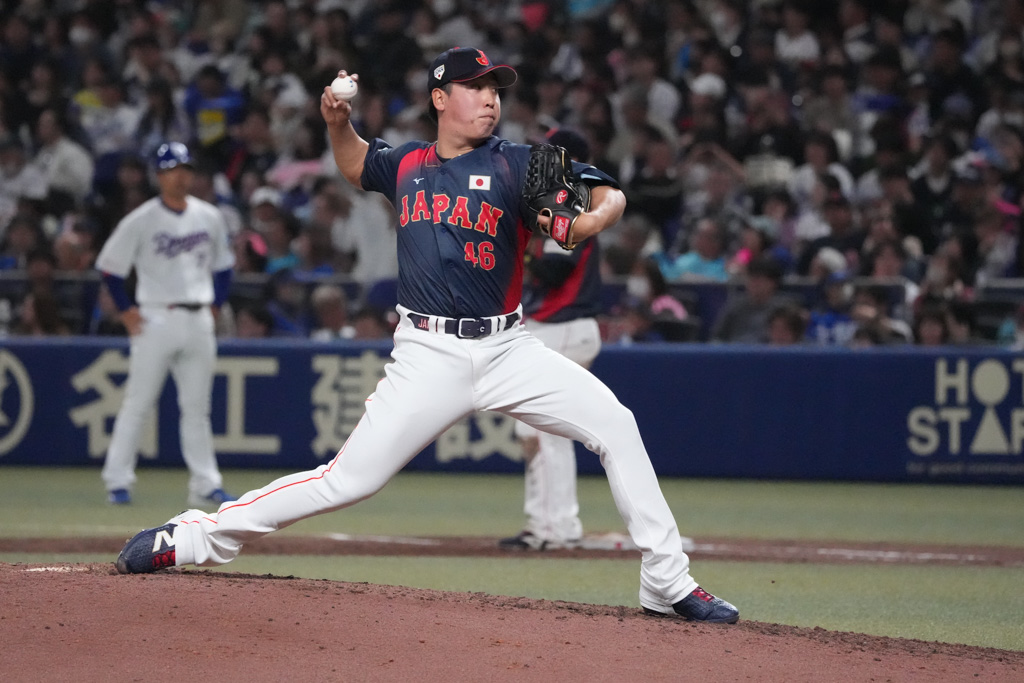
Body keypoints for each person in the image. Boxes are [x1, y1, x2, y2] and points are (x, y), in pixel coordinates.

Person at [114, 48, 739, 625]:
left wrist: (593, 217)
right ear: (441, 98)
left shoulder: (517, 161)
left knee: (616, 425)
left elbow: (609, 191)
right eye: (475, 87)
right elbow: (356, 162)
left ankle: (666, 580)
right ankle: (192, 537)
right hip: (428, 354)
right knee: (346, 481)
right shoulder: (406, 163)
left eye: (495, 89)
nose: (490, 98)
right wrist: (336, 123)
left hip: (508, 348)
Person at [95, 142, 237, 508]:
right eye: (172, 169)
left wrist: (216, 306)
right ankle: (117, 481)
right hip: (155, 316)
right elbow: (110, 269)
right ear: (159, 175)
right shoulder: (141, 219)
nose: (180, 176)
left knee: (197, 409)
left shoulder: (209, 216)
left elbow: (224, 267)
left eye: (185, 168)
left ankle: (205, 484)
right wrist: (126, 311)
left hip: (198, 316)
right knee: (138, 403)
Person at [499, 128, 602, 552]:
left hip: (565, 326)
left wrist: (517, 246)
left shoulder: (573, 199)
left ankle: (556, 528)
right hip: (553, 327)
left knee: (546, 431)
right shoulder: (558, 200)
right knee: (534, 431)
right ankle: (546, 524)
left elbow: (556, 270)